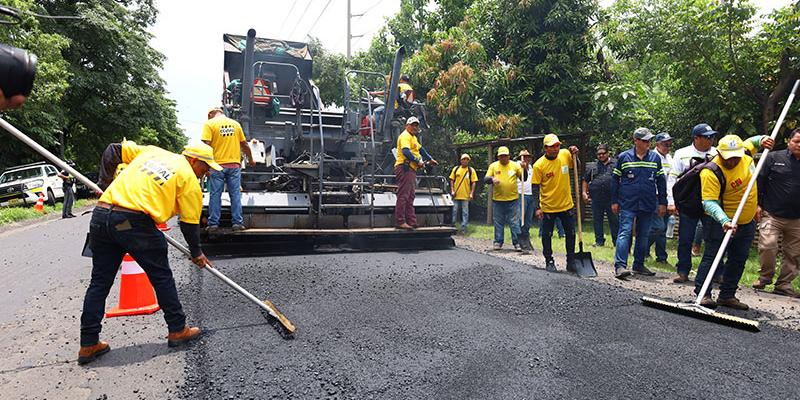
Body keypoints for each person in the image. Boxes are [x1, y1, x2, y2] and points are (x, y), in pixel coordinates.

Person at [78, 140, 223, 365]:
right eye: (205, 168)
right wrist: (197, 253)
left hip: (102, 215)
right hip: (133, 222)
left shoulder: (153, 152)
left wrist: (105, 184)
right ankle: (177, 330)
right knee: (161, 276)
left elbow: (113, 150)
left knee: (99, 282)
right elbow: (189, 224)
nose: (206, 173)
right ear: (194, 160)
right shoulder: (189, 180)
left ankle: (88, 344)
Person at [694, 134, 773, 309]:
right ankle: (703, 294)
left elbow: (753, 142)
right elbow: (709, 202)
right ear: (720, 153)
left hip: (747, 222)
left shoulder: (744, 153)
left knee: (738, 259)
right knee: (713, 257)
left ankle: (727, 295)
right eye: (729, 158)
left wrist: (763, 140)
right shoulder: (711, 171)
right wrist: (724, 220)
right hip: (720, 222)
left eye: (736, 157)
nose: (733, 161)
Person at [611, 128, 666, 279]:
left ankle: (639, 265)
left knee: (643, 235)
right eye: (645, 140)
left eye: (649, 140)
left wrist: (663, 202)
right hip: (627, 203)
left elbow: (661, 182)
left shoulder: (655, 158)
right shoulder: (624, 157)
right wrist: (614, 201)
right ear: (636, 141)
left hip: (648, 204)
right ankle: (620, 266)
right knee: (625, 232)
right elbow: (615, 180)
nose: (648, 143)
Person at [754, 128, 800, 297]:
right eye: (796, 141)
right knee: (767, 246)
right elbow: (759, 181)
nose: (799, 145)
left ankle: (784, 284)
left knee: (794, 254)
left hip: (797, 218)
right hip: (772, 213)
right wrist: (757, 205)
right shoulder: (773, 157)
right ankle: (765, 277)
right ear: (789, 141)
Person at [531, 134, 579, 272]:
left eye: (557, 145)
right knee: (547, 235)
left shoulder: (565, 154)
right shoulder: (539, 165)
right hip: (548, 207)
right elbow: (535, 187)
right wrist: (537, 207)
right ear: (546, 148)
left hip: (566, 204)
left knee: (570, 233)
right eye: (552, 146)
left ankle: (571, 261)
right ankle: (549, 260)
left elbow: (576, 167)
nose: (555, 148)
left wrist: (576, 155)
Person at [202, 107, 255, 232]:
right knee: (235, 195)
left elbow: (205, 147)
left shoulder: (209, 124)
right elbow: (244, 144)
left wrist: (205, 167)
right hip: (234, 166)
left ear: (210, 114)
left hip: (217, 166)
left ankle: (213, 224)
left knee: (215, 195)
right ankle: (237, 223)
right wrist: (251, 159)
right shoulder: (235, 124)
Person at [395, 116, 438, 229]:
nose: (414, 127)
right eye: (412, 125)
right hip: (405, 168)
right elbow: (405, 152)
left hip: (411, 169)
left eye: (416, 125)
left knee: (410, 196)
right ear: (406, 126)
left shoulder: (413, 137)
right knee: (404, 195)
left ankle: (411, 221)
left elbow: (420, 149)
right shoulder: (405, 136)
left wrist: (430, 158)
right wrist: (417, 161)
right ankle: (400, 221)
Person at [484, 146, 524, 250]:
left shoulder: (515, 165)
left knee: (514, 222)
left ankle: (517, 243)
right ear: (498, 157)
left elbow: (524, 178)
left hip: (513, 199)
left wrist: (524, 169)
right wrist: (492, 179)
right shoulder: (493, 166)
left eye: (505, 156)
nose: (503, 158)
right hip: (498, 200)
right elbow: (485, 179)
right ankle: (498, 242)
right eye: (501, 156)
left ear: (509, 156)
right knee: (498, 222)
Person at [582, 144, 618, 247]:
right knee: (597, 220)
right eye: (599, 154)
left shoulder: (616, 164)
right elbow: (585, 180)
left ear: (608, 153)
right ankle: (599, 241)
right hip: (596, 198)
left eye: (603, 153)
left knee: (614, 220)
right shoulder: (592, 167)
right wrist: (584, 193)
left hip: (612, 198)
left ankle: (616, 242)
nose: (601, 156)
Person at [648, 132, 674, 266]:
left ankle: (661, 257)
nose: (668, 147)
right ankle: (643, 248)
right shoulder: (652, 157)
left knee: (663, 228)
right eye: (665, 144)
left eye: (669, 144)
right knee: (658, 227)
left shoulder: (670, 158)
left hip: (667, 197)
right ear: (657, 144)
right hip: (654, 196)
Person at [449, 153, 478, 233]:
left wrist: (472, 193)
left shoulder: (471, 170)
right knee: (454, 211)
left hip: (466, 195)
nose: (465, 161)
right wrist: (452, 190)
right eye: (463, 159)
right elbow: (451, 180)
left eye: (467, 159)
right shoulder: (456, 169)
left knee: (465, 212)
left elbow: (474, 182)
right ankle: (452, 227)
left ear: (468, 161)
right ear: (460, 160)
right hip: (456, 194)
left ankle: (463, 228)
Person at [511, 149, 534, 250]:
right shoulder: (516, 166)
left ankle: (525, 239)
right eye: (524, 157)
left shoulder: (530, 167)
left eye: (528, 157)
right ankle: (517, 241)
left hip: (530, 195)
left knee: (528, 220)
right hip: (520, 194)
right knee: (520, 219)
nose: (526, 158)